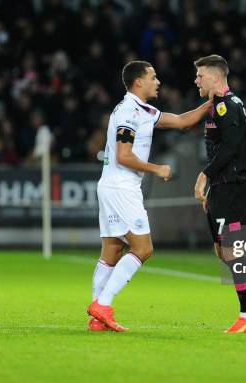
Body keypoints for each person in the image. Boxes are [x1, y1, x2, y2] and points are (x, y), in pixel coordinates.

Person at [87, 61, 212, 332]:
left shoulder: (144, 110)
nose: (158, 82)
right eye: (153, 77)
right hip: (122, 187)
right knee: (143, 249)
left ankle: (97, 320)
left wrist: (210, 103)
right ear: (139, 82)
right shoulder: (128, 113)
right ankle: (103, 305)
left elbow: (181, 122)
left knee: (112, 250)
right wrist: (158, 169)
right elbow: (123, 155)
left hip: (113, 186)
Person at [193, 54, 246, 333]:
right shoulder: (217, 105)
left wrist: (204, 174)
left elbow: (231, 147)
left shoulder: (227, 106)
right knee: (223, 251)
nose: (196, 81)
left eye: (200, 76)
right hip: (222, 188)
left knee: (231, 250)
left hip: (232, 186)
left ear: (216, 77)